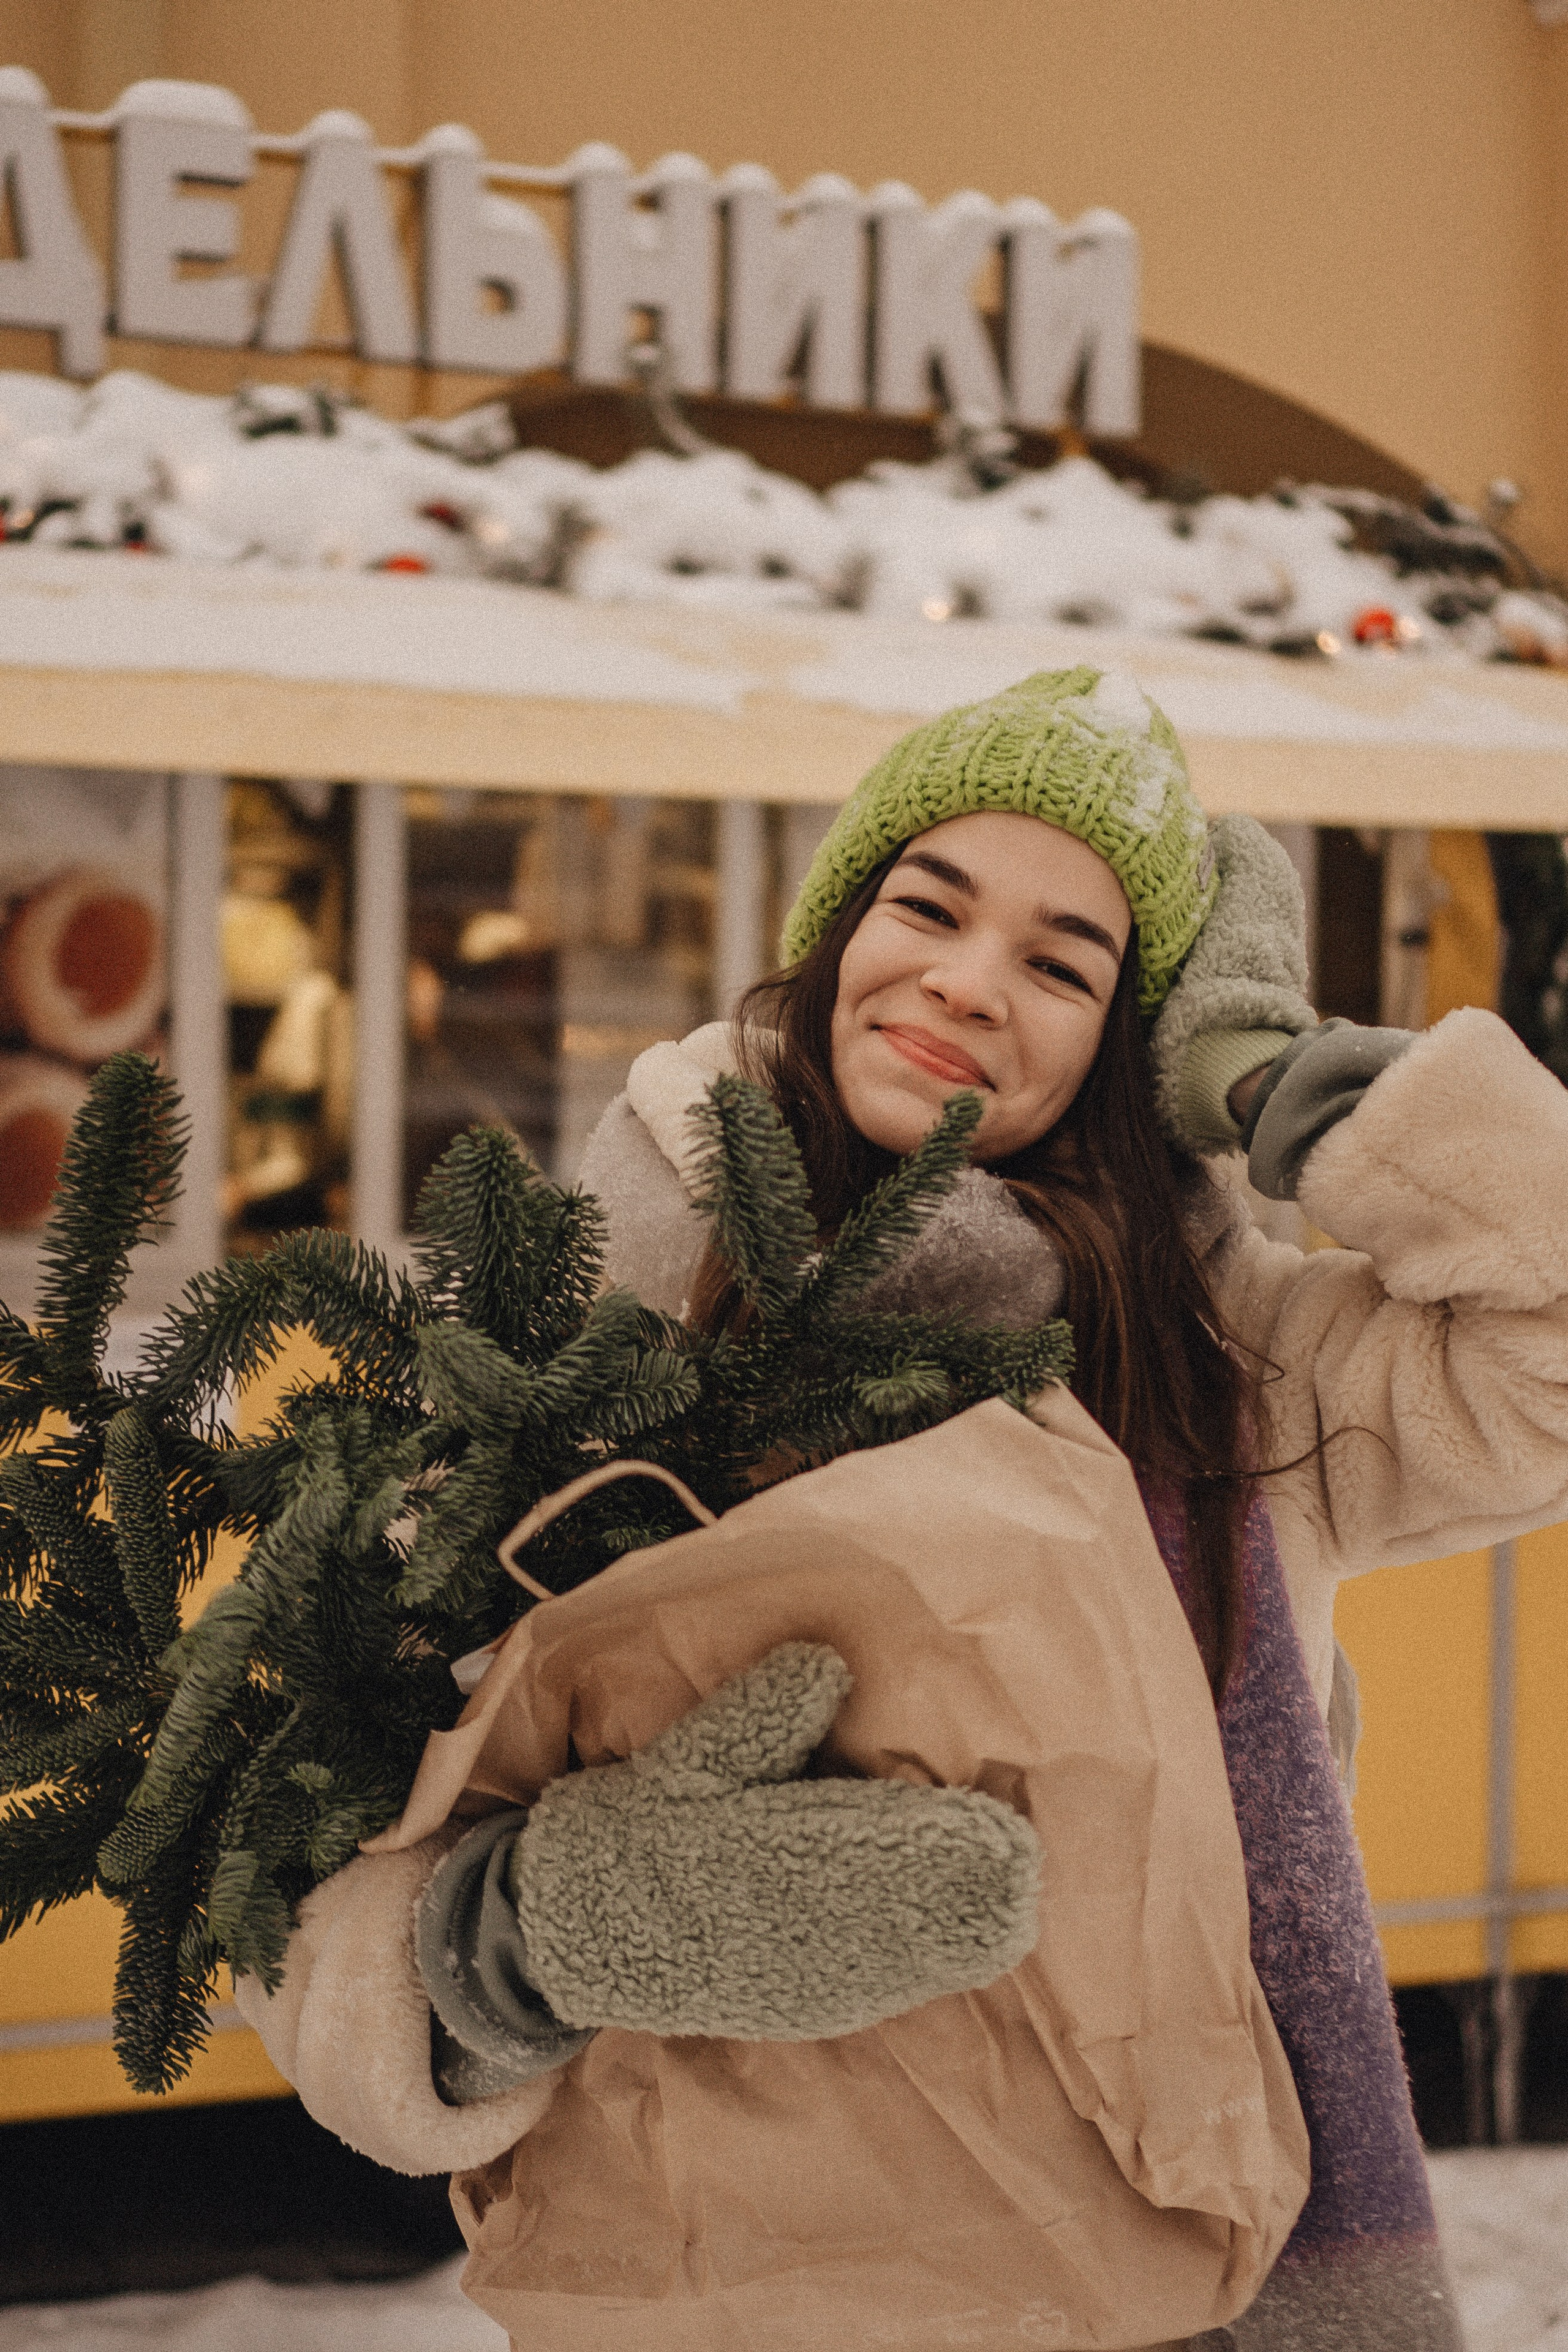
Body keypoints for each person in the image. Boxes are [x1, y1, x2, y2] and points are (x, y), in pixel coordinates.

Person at [237, 667, 1568, 2350]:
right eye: (927, 905)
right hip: (731, 2277)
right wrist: (521, 1942)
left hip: (1168, 2268)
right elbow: (285, 1828)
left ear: (1127, 1043)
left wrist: (1268, 1080)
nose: (965, 981)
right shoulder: (587, 1326)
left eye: (1062, 964)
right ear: (839, 922)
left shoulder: (1225, 1363)